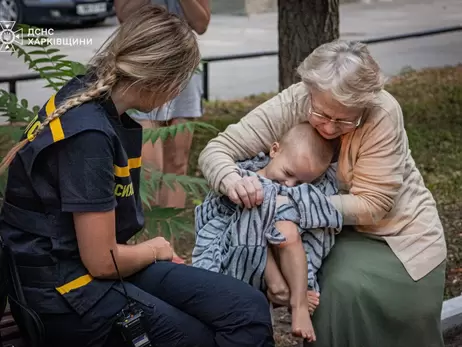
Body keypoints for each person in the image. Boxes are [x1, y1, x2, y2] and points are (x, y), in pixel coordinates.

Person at [0, 6, 274, 347]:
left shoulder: (89, 97)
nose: (178, 94)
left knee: (247, 308)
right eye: (181, 83)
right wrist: (155, 248)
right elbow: (103, 261)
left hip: (82, 271)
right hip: (67, 296)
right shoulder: (89, 136)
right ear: (162, 80)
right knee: (209, 335)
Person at [198, 39, 447, 347]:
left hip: (396, 236)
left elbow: (374, 204)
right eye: (321, 114)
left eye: (344, 119)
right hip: (325, 230)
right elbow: (218, 150)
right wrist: (233, 180)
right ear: (310, 90)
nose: (329, 128)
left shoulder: (382, 112)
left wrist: (289, 204)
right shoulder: (298, 99)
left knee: (333, 292)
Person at [193, 122, 341, 342]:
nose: (290, 185)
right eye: (288, 173)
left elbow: (314, 218)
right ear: (274, 150)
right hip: (236, 250)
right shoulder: (245, 175)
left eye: (301, 182)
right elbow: (222, 217)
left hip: (282, 252)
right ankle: (281, 289)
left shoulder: (291, 190)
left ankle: (297, 303)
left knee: (286, 229)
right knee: (258, 208)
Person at [115, 0, 210, 262]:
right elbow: (125, 15)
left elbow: (201, 24)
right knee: (147, 169)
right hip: (145, 63)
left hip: (182, 66)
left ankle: (169, 248)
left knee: (177, 165)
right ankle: (144, 248)